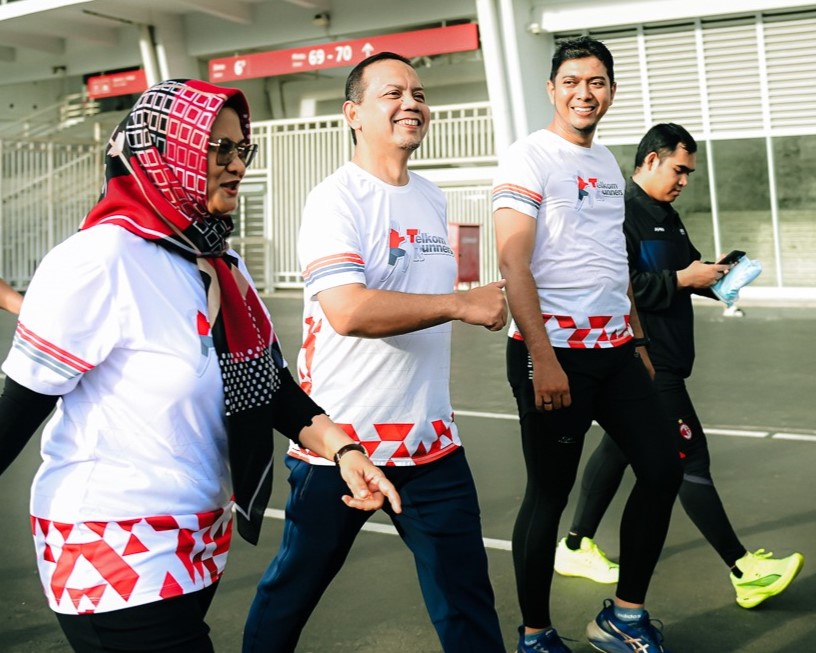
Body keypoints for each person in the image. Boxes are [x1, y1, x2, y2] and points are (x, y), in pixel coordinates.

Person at [0, 79, 400, 653]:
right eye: (219, 148)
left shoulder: (218, 261)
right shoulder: (99, 259)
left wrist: (345, 452)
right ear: (167, 154)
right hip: (110, 538)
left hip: (197, 538)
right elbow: (16, 413)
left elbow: (269, 386)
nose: (237, 164)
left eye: (242, 148)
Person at [243, 52, 508, 653]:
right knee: (290, 596)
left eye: (419, 94)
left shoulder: (432, 197)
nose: (411, 103)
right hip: (341, 443)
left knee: (467, 604)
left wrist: (469, 301)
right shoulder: (334, 199)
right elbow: (348, 310)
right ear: (353, 113)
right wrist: (459, 305)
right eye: (392, 93)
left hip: (430, 441)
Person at [554, 122, 804, 609]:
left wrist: (718, 275)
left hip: (667, 358)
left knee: (618, 449)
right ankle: (744, 570)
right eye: (679, 170)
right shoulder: (619, 214)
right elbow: (619, 287)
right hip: (647, 361)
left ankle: (575, 547)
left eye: (689, 172)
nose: (684, 180)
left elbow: (687, 273)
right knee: (692, 458)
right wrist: (682, 278)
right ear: (651, 160)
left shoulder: (667, 215)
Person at [493, 37, 683, 653]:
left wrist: (638, 340)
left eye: (596, 82)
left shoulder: (604, 161)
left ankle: (624, 617)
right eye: (572, 81)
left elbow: (612, 258)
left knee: (663, 468)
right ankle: (535, 634)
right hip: (554, 354)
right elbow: (513, 263)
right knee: (549, 495)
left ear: (611, 92)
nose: (584, 93)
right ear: (552, 89)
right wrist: (543, 357)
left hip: (616, 349)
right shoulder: (528, 157)